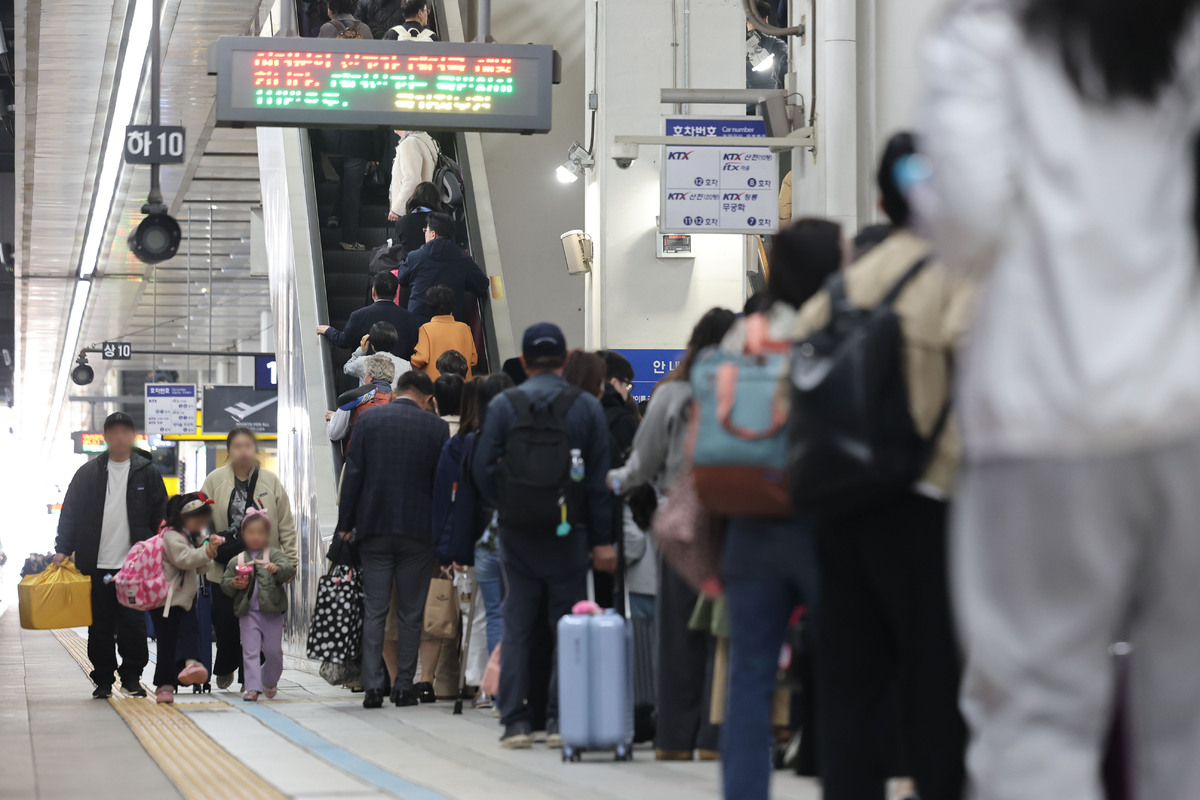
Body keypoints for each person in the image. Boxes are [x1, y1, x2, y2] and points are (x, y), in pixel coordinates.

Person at [917, 2, 1200, 798]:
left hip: (1042, 411)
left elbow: (967, 221)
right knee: (1188, 723)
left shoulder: (988, 33)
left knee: (1038, 715)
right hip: (1186, 403)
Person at [794, 133, 972, 800]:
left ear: (879, 200)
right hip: (926, 508)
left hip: (840, 513)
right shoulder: (957, 276)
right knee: (935, 686)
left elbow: (792, 394)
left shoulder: (841, 288)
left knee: (850, 689)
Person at [718, 218, 843, 800]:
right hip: (826, 518)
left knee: (750, 676)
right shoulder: (841, 325)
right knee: (847, 672)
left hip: (751, 515)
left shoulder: (746, 333)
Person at [473, 323, 616, 749]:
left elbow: (482, 469)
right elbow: (598, 482)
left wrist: (509, 505)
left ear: (523, 360)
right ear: (565, 360)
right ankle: (559, 720)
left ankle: (516, 721)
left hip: (517, 533)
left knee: (517, 623)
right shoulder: (585, 407)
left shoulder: (505, 404)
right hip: (569, 531)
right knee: (565, 624)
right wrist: (601, 540)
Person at [607, 308, 738, 760]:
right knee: (726, 631)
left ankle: (676, 738)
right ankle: (716, 736)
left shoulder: (673, 393)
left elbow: (642, 463)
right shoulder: (746, 386)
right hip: (738, 519)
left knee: (678, 631)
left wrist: (617, 479)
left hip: (683, 523)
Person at [336, 371, 449, 709]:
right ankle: (403, 688)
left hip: (374, 529)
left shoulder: (369, 421)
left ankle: (374, 687)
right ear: (428, 399)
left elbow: (354, 473)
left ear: (397, 392)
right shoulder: (436, 427)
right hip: (419, 532)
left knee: (375, 609)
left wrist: (346, 524)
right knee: (411, 613)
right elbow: (442, 485)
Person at [54, 411, 168, 699]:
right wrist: (62, 548)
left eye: (125, 432)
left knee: (133, 625)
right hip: (96, 563)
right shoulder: (87, 474)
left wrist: (160, 549)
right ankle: (103, 679)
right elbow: (70, 513)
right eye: (113, 432)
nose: (119, 437)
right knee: (99, 626)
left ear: (133, 436)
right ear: (105, 437)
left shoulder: (148, 473)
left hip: (134, 567)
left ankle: (131, 677)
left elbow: (161, 515)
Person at [200, 427, 298, 692]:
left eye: (248, 445)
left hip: (264, 566)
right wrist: (205, 547)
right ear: (229, 450)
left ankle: (250, 679)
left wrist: (291, 560)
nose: (243, 451)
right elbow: (201, 520)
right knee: (226, 623)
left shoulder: (270, 481)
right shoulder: (214, 480)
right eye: (237, 446)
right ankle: (226, 665)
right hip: (225, 567)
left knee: (259, 625)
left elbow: (285, 523)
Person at [220, 509, 295, 702]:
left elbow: (288, 570)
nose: (255, 537)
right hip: (248, 613)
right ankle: (252, 688)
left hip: (272, 613)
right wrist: (233, 583)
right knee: (250, 651)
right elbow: (225, 582)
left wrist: (278, 570)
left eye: (260, 532)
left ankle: (269, 680)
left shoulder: (275, 555)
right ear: (243, 534)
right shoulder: (238, 560)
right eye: (251, 532)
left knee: (273, 652)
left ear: (268, 534)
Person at [152, 493, 221, 704]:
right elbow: (183, 559)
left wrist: (208, 552)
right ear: (184, 516)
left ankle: (191, 665)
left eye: (203, 523)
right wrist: (206, 552)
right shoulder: (171, 536)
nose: (201, 526)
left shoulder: (191, 536)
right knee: (167, 644)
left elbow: (200, 567)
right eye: (198, 521)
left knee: (190, 633)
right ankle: (165, 685)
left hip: (184, 600)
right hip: (165, 602)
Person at [396, 212, 489, 324]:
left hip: (418, 324)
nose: (425, 233)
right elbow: (482, 284)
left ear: (433, 234)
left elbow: (401, 278)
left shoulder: (415, 257)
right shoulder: (463, 260)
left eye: (426, 230)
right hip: (450, 325)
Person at [318, 271, 419, 359]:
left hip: (366, 372)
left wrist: (329, 330)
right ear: (396, 293)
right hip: (399, 372)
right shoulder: (409, 318)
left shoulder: (358, 315)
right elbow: (412, 348)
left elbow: (344, 342)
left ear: (373, 291)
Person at [411, 285, 479, 380]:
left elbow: (421, 358)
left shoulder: (426, 329)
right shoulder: (464, 328)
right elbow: (473, 360)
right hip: (462, 383)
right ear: (453, 306)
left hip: (436, 384)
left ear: (430, 307)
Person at [326, 353, 396, 445]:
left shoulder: (355, 396)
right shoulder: (398, 402)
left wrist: (335, 417)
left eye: (365, 374)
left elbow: (334, 433)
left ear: (371, 376)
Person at [344, 320, 412, 391]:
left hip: (369, 398)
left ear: (372, 344)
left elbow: (346, 368)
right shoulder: (406, 365)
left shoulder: (363, 361)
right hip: (396, 398)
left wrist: (361, 350)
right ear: (394, 342)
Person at [389, 131, 438, 225]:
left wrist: (398, 209)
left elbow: (412, 180)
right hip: (423, 207)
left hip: (410, 211)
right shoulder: (425, 140)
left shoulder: (409, 143)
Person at [395, 182, 445, 255]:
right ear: (436, 199)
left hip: (410, 262)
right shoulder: (443, 221)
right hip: (438, 261)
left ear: (414, 197)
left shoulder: (401, 222)